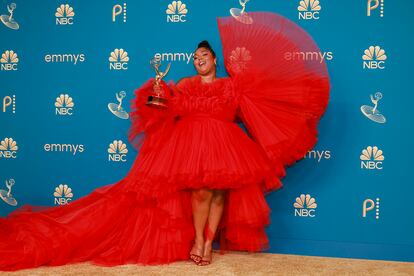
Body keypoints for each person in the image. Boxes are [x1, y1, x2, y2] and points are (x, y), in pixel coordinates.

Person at [0, 11, 330, 271]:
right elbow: (163, 107)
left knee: (218, 195)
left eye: (204, 54)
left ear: (216, 59)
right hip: (192, 147)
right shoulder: (185, 84)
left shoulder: (233, 86)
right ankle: (198, 241)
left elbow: (259, 108)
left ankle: (208, 241)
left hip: (227, 146)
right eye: (195, 56)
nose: (199, 58)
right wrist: (157, 87)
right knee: (201, 191)